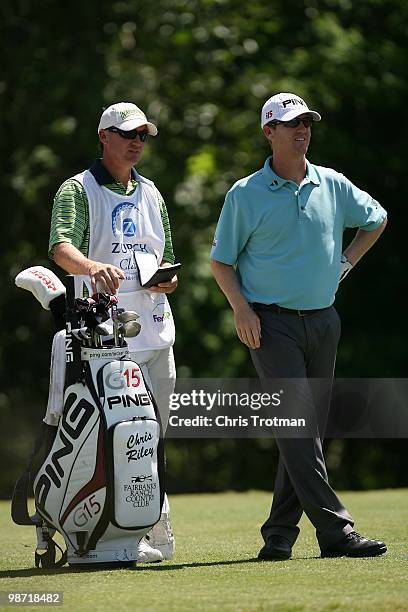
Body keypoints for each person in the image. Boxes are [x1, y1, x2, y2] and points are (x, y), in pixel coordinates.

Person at [210, 92, 388, 560]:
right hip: (270, 326)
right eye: (291, 124)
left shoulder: (331, 183)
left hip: (324, 321)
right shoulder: (245, 194)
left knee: (305, 429)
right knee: (297, 426)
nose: (302, 131)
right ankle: (336, 532)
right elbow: (221, 262)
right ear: (269, 132)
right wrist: (241, 309)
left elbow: (377, 219)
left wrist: (347, 262)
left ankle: (279, 534)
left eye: (306, 123)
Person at [48, 102, 178, 563]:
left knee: (153, 434)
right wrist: (91, 266)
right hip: (102, 335)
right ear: (103, 136)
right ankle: (113, 534)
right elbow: (60, 246)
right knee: (111, 436)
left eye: (142, 134)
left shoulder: (153, 193)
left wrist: (168, 278)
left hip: (155, 330)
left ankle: (155, 527)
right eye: (127, 134)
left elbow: (163, 253)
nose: (136, 141)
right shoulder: (78, 189)